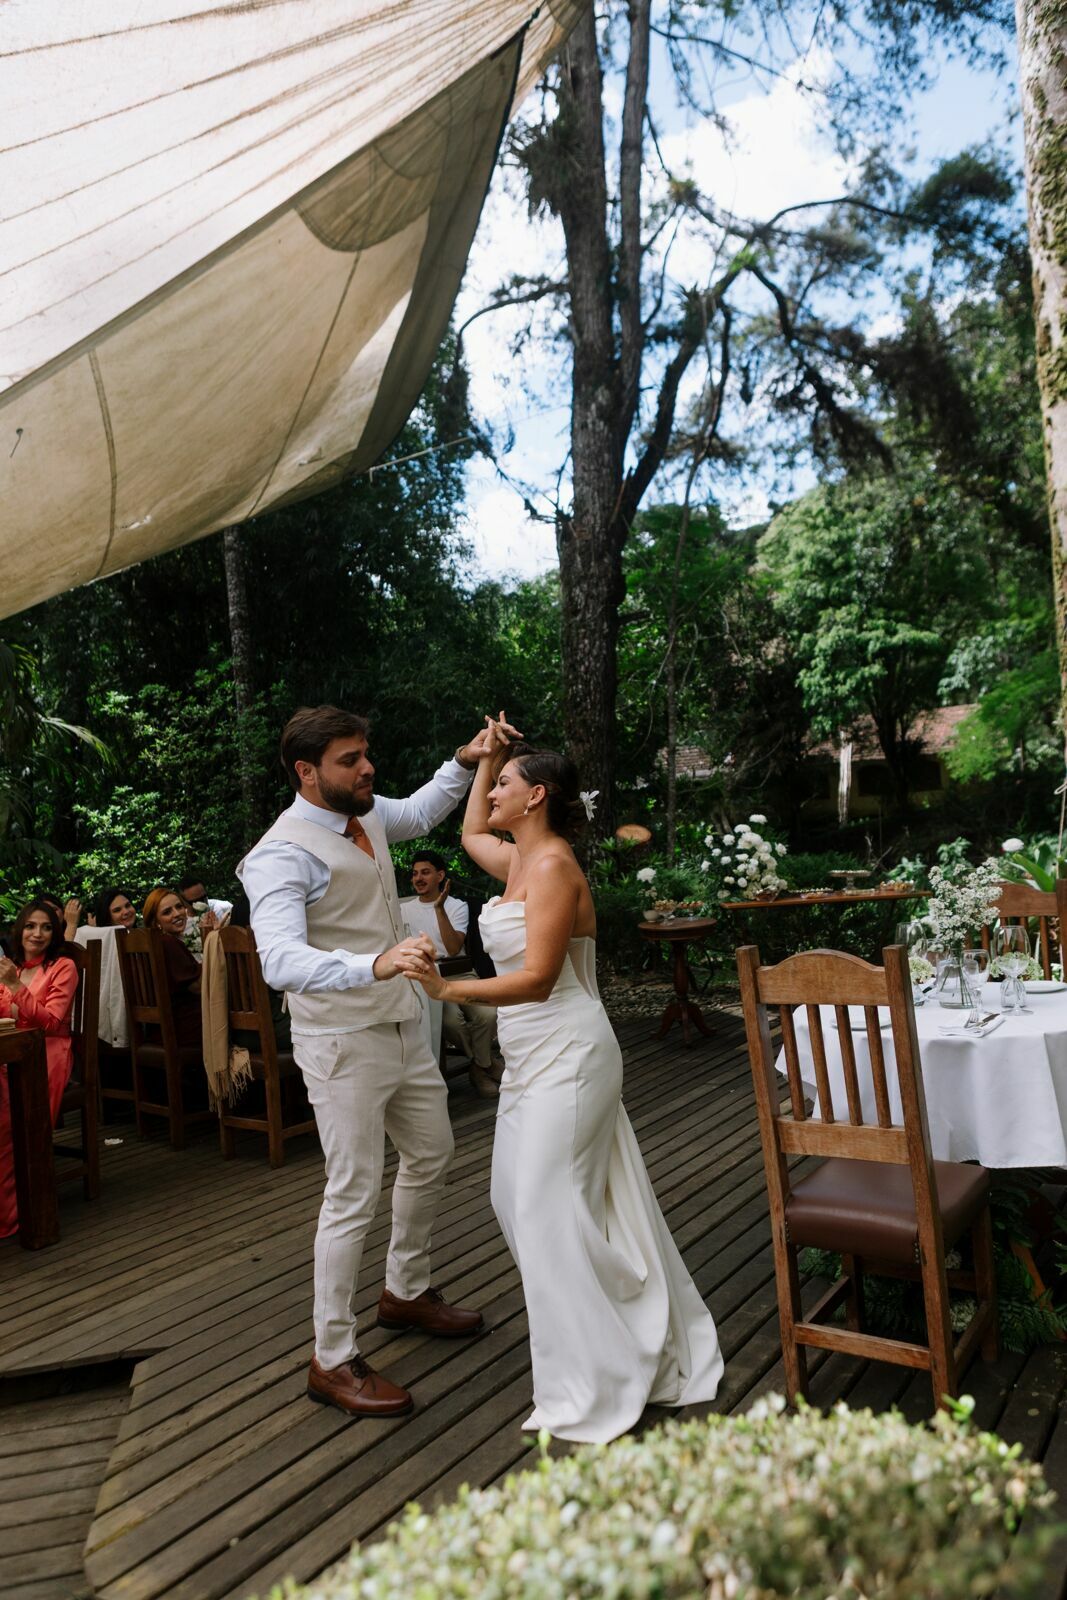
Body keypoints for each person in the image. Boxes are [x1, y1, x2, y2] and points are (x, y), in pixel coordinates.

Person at [409, 719, 724, 1444]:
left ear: (536, 796)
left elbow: (538, 979)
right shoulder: (517, 858)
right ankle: (622, 1331)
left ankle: (597, 1375)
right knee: (515, 1198)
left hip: (570, 1053)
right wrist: (486, 758)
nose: (493, 795)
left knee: (545, 1201)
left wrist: (446, 992)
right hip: (530, 1061)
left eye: (506, 784)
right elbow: (467, 836)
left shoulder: (552, 867)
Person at [237, 704, 491, 1421]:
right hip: (342, 1041)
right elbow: (281, 959)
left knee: (433, 1152)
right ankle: (332, 1356)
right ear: (306, 772)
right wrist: (373, 962)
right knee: (352, 1190)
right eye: (350, 760)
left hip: (405, 1026)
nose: (367, 768)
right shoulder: (280, 854)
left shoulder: (366, 812)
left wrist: (463, 763)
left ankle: (404, 1292)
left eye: (365, 754)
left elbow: (416, 812)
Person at [0, 900, 79, 1238]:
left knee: (9, 1124)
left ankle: (14, 1215)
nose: (38, 933)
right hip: (12, 1053)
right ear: (19, 930)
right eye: (31, 926)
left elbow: (51, 1023)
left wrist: (16, 991)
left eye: (46, 927)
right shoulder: (13, 967)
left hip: (47, 1054)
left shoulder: (63, 967)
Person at [404, 851, 500, 1099]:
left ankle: (479, 1067)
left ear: (440, 875)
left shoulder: (457, 906)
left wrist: (439, 909)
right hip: (427, 977)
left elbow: (454, 947)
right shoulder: (403, 910)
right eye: (415, 873)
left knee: (488, 1013)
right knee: (450, 1023)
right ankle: (484, 1064)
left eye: (425, 872)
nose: (418, 878)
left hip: (460, 973)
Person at [142, 886, 217, 1048]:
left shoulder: (153, 943)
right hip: (188, 1029)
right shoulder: (168, 943)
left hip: (159, 1030)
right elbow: (198, 987)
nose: (177, 914)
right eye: (167, 912)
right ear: (156, 922)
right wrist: (214, 942)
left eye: (179, 907)